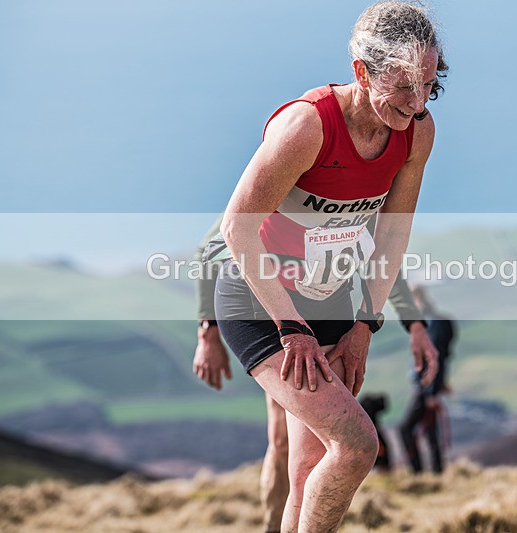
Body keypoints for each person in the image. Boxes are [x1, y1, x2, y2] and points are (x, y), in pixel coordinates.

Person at [203, 3, 447, 529]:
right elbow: (235, 229)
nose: (418, 101)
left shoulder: (417, 132)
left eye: (430, 83)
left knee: (311, 465)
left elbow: (392, 235)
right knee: (356, 446)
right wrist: (290, 327)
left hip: (335, 302)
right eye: (403, 85)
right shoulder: (306, 126)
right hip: (261, 303)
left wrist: (366, 322)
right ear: (362, 71)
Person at [192, 214, 437, 532]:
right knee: (282, 441)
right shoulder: (277, 183)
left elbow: (382, 260)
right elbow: (209, 248)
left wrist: (414, 324)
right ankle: (272, 524)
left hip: (326, 319)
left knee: (320, 447)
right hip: (274, 322)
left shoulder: (360, 198)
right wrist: (207, 331)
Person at [399, 285, 456, 475]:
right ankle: (436, 472)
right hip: (429, 386)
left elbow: (434, 359)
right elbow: (443, 357)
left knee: (406, 429)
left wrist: (431, 391)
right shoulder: (436, 321)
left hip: (425, 387)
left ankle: (418, 471)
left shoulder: (429, 324)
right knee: (430, 430)